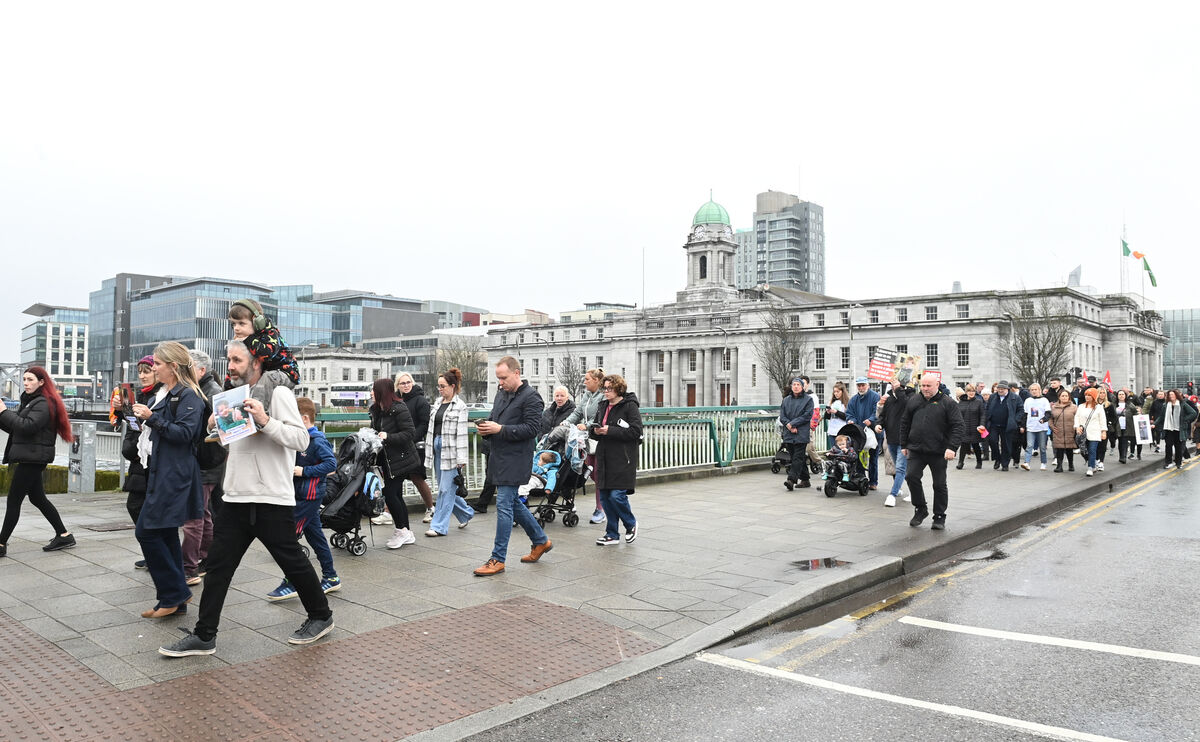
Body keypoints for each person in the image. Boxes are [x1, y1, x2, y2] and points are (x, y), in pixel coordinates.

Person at [159, 339, 334, 657]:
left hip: (270, 495)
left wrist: (265, 419)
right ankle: (204, 635)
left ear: (256, 362)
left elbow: (300, 440)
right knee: (218, 568)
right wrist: (215, 429)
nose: (230, 365)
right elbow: (234, 445)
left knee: (292, 561)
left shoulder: (278, 393)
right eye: (228, 359)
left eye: (237, 359)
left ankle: (321, 615)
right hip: (236, 494)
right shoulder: (232, 397)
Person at [130, 342, 206, 618]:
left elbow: (185, 434)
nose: (154, 368)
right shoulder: (160, 395)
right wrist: (133, 413)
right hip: (159, 472)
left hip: (175, 476)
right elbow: (151, 433)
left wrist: (152, 419)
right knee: (164, 533)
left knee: (146, 532)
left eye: (159, 364)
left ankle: (173, 595)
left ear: (173, 367)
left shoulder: (189, 397)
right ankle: (174, 598)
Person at [472, 356, 552, 576]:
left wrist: (500, 430)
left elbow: (532, 429)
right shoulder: (501, 394)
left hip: (516, 459)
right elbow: (494, 419)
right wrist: (487, 428)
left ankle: (498, 559)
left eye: (504, 378)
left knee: (504, 505)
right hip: (499, 456)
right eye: (498, 378)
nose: (500, 382)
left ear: (517, 373)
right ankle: (541, 541)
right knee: (513, 503)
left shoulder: (532, 398)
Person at [266, 397, 340, 600]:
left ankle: (292, 582)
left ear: (304, 419)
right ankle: (331, 577)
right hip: (300, 494)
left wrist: (304, 471)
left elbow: (331, 464)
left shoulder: (316, 440)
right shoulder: (299, 439)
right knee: (315, 537)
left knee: (288, 538)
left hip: (309, 496)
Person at [0, 367, 76, 558]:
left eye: (30, 379)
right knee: (37, 498)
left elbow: (27, 426)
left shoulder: (43, 403)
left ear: (41, 382)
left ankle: (1, 544)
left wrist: (3, 412)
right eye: (24, 379)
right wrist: (1, 416)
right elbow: (17, 428)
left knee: (14, 500)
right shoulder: (32, 401)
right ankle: (64, 535)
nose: (25, 382)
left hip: (33, 458)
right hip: (31, 455)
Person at [899, 374, 964, 531]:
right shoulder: (914, 400)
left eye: (928, 386)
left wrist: (952, 447)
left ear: (937, 384)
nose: (925, 389)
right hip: (916, 448)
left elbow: (958, 426)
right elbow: (905, 422)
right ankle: (921, 508)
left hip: (939, 450)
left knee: (939, 484)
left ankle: (939, 516)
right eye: (922, 386)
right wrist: (904, 444)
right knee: (911, 476)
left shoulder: (948, 403)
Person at [182, 349, 223, 585]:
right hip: (207, 460)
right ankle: (205, 558)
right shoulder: (203, 390)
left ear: (201, 370)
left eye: (188, 367)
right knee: (203, 512)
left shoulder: (211, 393)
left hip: (207, 461)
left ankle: (193, 563)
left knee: (196, 514)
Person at [373, 373, 436, 526]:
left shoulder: (419, 401)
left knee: (417, 478)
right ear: (397, 386)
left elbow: (423, 424)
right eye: (402, 383)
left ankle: (430, 507)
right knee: (394, 489)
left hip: (413, 445)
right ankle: (391, 516)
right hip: (396, 449)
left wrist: (411, 439)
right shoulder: (389, 403)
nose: (406, 385)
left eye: (408, 382)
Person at [590, 374, 642, 546]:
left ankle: (631, 524)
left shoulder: (629, 406)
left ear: (619, 389)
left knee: (617, 496)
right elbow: (595, 428)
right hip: (603, 456)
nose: (606, 391)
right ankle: (612, 534)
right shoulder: (602, 405)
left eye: (609, 388)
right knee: (605, 497)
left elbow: (636, 432)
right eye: (604, 388)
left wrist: (610, 431)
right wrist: (595, 431)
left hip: (623, 458)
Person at [370, 377, 422, 550]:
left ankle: (401, 530)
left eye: (374, 390)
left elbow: (409, 433)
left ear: (381, 392)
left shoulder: (399, 408)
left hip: (401, 459)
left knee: (390, 494)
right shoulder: (376, 409)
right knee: (396, 495)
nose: (371, 393)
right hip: (387, 459)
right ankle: (406, 531)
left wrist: (388, 437)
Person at [425, 368, 475, 537]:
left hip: (451, 451)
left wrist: (461, 459)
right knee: (445, 488)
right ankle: (466, 513)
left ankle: (438, 526)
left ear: (452, 386)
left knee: (445, 490)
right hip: (437, 448)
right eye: (438, 386)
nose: (440, 389)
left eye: (443, 386)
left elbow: (461, 433)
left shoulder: (460, 407)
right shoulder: (438, 403)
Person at [122, 356, 160, 569]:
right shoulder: (140, 397)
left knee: (148, 511)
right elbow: (132, 429)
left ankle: (156, 553)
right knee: (137, 507)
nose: (143, 376)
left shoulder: (157, 397)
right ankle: (152, 552)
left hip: (149, 463)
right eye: (141, 372)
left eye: (148, 371)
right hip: (138, 462)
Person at [226, 299, 300, 407]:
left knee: (267, 378)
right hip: (268, 371)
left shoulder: (271, 333)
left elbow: (266, 353)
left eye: (241, 323)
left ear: (257, 322)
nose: (236, 328)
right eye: (234, 324)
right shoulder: (248, 338)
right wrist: (227, 389)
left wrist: (248, 340)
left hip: (286, 373)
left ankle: (257, 411)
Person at [565, 368, 606, 524]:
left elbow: (601, 417)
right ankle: (605, 503)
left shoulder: (603, 397)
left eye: (587, 379)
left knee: (598, 475)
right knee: (591, 474)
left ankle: (600, 509)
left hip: (599, 440)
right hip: (587, 442)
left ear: (596, 381)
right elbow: (577, 412)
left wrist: (587, 425)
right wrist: (566, 422)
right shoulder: (587, 396)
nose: (584, 382)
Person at [878, 380, 911, 506]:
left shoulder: (909, 397)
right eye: (892, 385)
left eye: (896, 385)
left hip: (904, 440)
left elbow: (904, 402)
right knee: (901, 468)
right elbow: (883, 416)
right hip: (891, 438)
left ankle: (892, 494)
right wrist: (879, 425)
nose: (894, 386)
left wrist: (899, 389)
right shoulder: (889, 399)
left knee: (901, 468)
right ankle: (914, 490)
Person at [778, 377, 815, 491]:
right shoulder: (786, 400)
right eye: (794, 384)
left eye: (798, 385)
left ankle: (791, 480)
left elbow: (807, 415)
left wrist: (793, 424)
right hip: (789, 432)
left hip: (801, 432)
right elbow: (782, 415)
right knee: (796, 457)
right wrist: (789, 425)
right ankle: (805, 479)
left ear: (802, 386)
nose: (796, 387)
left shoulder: (808, 400)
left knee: (798, 457)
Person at [1155, 389, 1196, 470]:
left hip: (1178, 429)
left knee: (1178, 447)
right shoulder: (1166, 405)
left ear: (1176, 395)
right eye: (1169, 395)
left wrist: (1184, 419)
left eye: (1172, 395)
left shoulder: (1182, 404)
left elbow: (1193, 413)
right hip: (1169, 429)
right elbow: (1161, 417)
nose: (1171, 396)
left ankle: (1178, 463)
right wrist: (1154, 424)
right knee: (1168, 446)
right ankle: (1168, 462)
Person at [985, 380, 1021, 471]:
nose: (1000, 391)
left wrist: (1015, 420)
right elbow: (987, 408)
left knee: (1006, 445)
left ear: (1007, 389)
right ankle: (997, 459)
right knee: (992, 441)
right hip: (993, 424)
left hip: (1007, 425)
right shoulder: (993, 397)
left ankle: (1005, 464)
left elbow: (1021, 410)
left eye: (1002, 389)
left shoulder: (1015, 398)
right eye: (999, 389)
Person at [1020, 383, 1052, 471]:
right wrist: (1023, 426)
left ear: (1039, 390)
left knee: (1042, 447)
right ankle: (1027, 463)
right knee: (1029, 445)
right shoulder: (1028, 401)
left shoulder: (1044, 400)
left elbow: (1048, 413)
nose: (1034, 391)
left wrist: (1044, 419)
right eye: (1032, 390)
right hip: (1030, 426)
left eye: (1035, 389)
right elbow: (1025, 414)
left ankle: (1043, 463)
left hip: (1041, 427)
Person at [1074, 388, 1106, 477]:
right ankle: (1093, 463)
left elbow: (1102, 420)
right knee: (1084, 451)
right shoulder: (1081, 406)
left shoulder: (1099, 407)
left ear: (1094, 396)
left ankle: (1090, 468)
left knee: (1092, 450)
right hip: (1083, 432)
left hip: (1095, 432)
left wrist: (1103, 432)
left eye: (1089, 395)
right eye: (1086, 395)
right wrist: (1077, 427)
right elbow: (1077, 417)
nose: (1087, 397)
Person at [956, 383, 986, 469]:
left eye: (973, 391)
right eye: (969, 391)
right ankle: (960, 462)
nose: (971, 393)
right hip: (964, 428)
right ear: (966, 392)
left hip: (975, 428)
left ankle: (979, 462)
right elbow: (958, 415)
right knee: (963, 445)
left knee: (976, 445)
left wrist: (982, 425)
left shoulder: (978, 402)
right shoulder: (961, 402)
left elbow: (982, 415)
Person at [1048, 389, 1078, 473]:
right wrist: (1052, 426)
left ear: (1069, 397)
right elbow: (1050, 418)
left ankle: (1071, 464)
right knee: (1059, 449)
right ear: (1059, 397)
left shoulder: (1074, 407)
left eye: (1066, 396)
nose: (1064, 397)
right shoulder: (1054, 407)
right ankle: (1059, 466)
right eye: (1062, 396)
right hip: (1058, 431)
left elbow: (1078, 418)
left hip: (1070, 431)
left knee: (1069, 449)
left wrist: (1076, 428)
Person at [1114, 390, 1140, 463]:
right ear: (1117, 396)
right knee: (1120, 441)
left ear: (1125, 396)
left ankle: (1124, 457)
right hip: (1117, 426)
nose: (1121, 396)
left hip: (1127, 426)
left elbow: (1135, 413)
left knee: (1124, 441)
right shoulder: (1114, 404)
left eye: (1123, 394)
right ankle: (1121, 456)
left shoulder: (1130, 404)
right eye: (1119, 394)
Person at [824, 382, 849, 451]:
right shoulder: (832, 402)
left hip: (842, 431)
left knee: (842, 451)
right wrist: (828, 412)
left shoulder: (846, 403)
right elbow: (827, 417)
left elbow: (846, 416)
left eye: (838, 391)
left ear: (842, 392)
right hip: (832, 430)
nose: (836, 393)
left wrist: (836, 412)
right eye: (834, 392)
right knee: (834, 451)